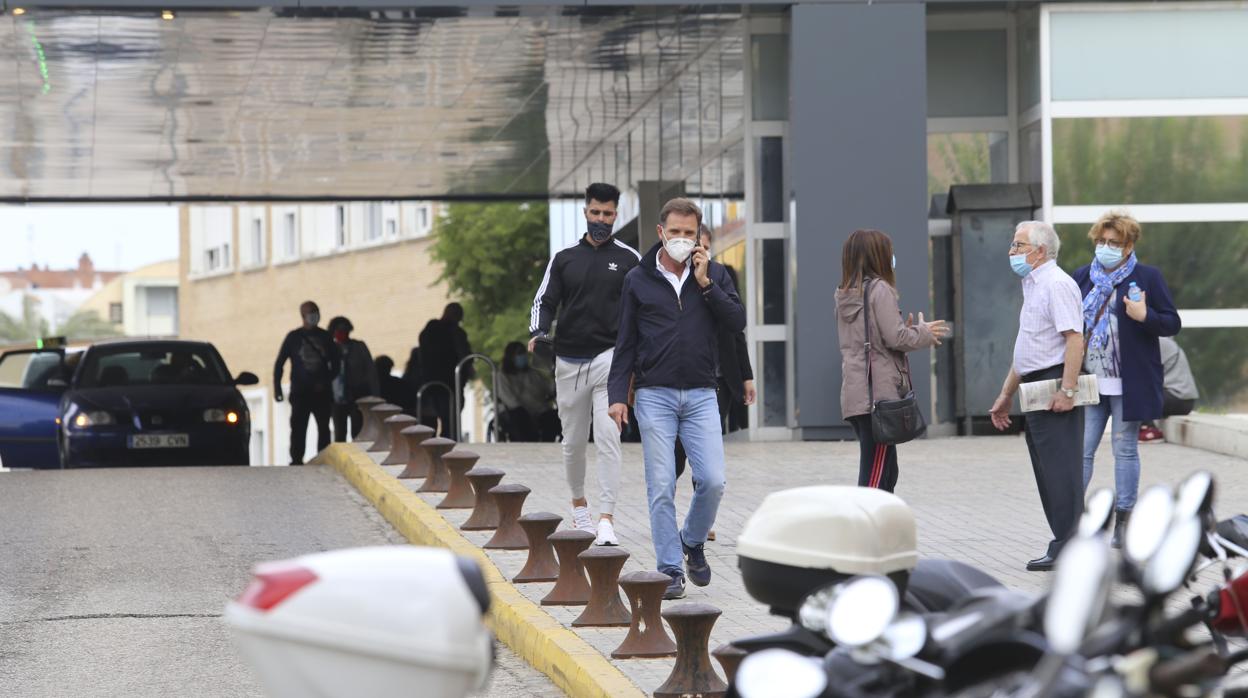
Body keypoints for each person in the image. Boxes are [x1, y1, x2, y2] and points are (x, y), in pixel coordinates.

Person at [608, 197, 745, 600]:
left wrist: (705, 284)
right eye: (677, 233)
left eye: (690, 233)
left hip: (703, 394)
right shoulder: (637, 279)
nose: (683, 240)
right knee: (662, 485)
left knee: (714, 481)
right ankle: (670, 568)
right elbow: (625, 343)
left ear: (700, 236)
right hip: (654, 395)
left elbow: (736, 322)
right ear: (661, 233)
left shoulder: (715, 276)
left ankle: (691, 539)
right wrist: (619, 396)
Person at [530, 182, 641, 545]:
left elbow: (644, 308)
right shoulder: (563, 258)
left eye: (608, 214)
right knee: (574, 442)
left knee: (609, 437)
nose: (601, 220)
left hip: (611, 359)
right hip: (568, 362)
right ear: (585, 212)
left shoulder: (629, 259)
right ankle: (580, 506)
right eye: (595, 212)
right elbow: (543, 301)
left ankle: (607, 517)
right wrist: (539, 332)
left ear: (615, 215)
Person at [1073, 211, 1181, 546]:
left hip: (1128, 382)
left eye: (1113, 243)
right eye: (1101, 241)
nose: (1105, 247)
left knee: (1125, 449)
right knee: (1082, 450)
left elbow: (1171, 322)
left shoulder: (1147, 277)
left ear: (1128, 245)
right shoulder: (1082, 278)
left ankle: (1124, 521)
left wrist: (1144, 315)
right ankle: (1072, 518)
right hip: (1090, 381)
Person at [989, 221, 1085, 572]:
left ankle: (1071, 547)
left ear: (1040, 251)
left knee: (1061, 471)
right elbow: (1029, 346)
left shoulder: (1057, 285)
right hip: (1034, 385)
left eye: (1018, 245)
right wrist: (1005, 394)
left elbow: (1074, 339)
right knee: (1047, 470)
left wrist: (1068, 390)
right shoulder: (1033, 285)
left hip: (1053, 386)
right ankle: (1064, 541)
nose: (1012, 252)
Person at [835, 229, 949, 493]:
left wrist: (904, 329)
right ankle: (865, 529)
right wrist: (923, 333)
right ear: (878, 256)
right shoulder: (880, 289)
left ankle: (881, 528)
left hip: (857, 393)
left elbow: (871, 337)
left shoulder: (845, 294)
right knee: (875, 476)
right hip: (878, 395)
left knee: (886, 470)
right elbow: (895, 338)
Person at [672, 225, 757, 539]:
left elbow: (737, 330)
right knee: (676, 455)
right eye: (696, 246)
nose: (699, 253)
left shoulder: (720, 278)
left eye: (704, 247)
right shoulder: (678, 284)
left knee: (705, 454)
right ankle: (669, 513)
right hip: (682, 381)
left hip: (718, 379)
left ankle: (700, 519)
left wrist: (746, 376)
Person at [274, 301, 338, 465]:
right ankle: (296, 459)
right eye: (311, 312)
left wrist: (326, 382)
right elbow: (280, 363)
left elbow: (336, 364)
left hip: (321, 393)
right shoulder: (293, 337)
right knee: (298, 428)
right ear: (303, 316)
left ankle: (323, 458)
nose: (314, 315)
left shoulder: (325, 337)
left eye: (316, 311)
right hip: (300, 393)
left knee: (323, 428)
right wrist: (277, 389)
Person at [419, 303, 474, 437]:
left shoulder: (430, 329)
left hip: (432, 382)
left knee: (432, 423)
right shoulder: (454, 332)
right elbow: (464, 355)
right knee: (449, 423)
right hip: (449, 383)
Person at [328, 316, 380, 442]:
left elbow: (370, 371)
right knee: (340, 432)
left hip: (358, 395)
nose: (342, 333)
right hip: (337, 397)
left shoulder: (359, 347)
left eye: (345, 329)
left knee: (358, 431)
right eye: (338, 330)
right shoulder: (330, 349)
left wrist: (376, 395)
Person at [496, 341, 561, 442]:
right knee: (520, 417)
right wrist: (527, 412)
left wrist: (556, 377)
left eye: (523, 353)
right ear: (511, 357)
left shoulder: (532, 374)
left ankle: (547, 444)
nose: (523, 356)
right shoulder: (503, 376)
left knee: (553, 417)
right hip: (515, 413)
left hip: (539, 411)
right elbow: (509, 400)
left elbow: (548, 388)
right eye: (519, 354)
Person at [1139, 337, 1199, 443]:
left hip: (1178, 397)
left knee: (1135, 392)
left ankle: (1150, 429)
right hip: (1182, 399)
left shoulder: (1157, 342)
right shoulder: (1162, 340)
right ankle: (1141, 427)